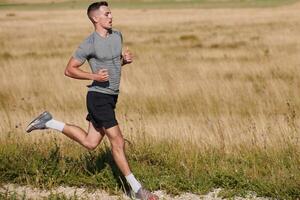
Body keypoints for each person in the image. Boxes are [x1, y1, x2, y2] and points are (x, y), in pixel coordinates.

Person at [26, 2, 159, 200]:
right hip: (98, 97)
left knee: (90, 142)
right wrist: (94, 76)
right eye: (106, 13)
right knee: (118, 141)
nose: (111, 16)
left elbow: (113, 64)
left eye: (111, 12)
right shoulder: (89, 43)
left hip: (111, 96)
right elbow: (69, 69)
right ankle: (137, 190)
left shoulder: (117, 35)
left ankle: (48, 121)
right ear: (95, 18)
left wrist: (124, 61)